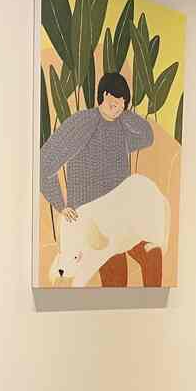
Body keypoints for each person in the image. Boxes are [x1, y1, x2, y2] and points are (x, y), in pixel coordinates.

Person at [40, 72, 162, 286]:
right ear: (103, 95)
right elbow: (45, 163)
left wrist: (122, 113)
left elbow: (147, 136)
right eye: (113, 101)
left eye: (122, 104)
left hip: (121, 218)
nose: (116, 108)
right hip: (91, 221)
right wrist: (60, 204)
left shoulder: (121, 127)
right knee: (117, 276)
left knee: (153, 255)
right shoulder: (82, 123)